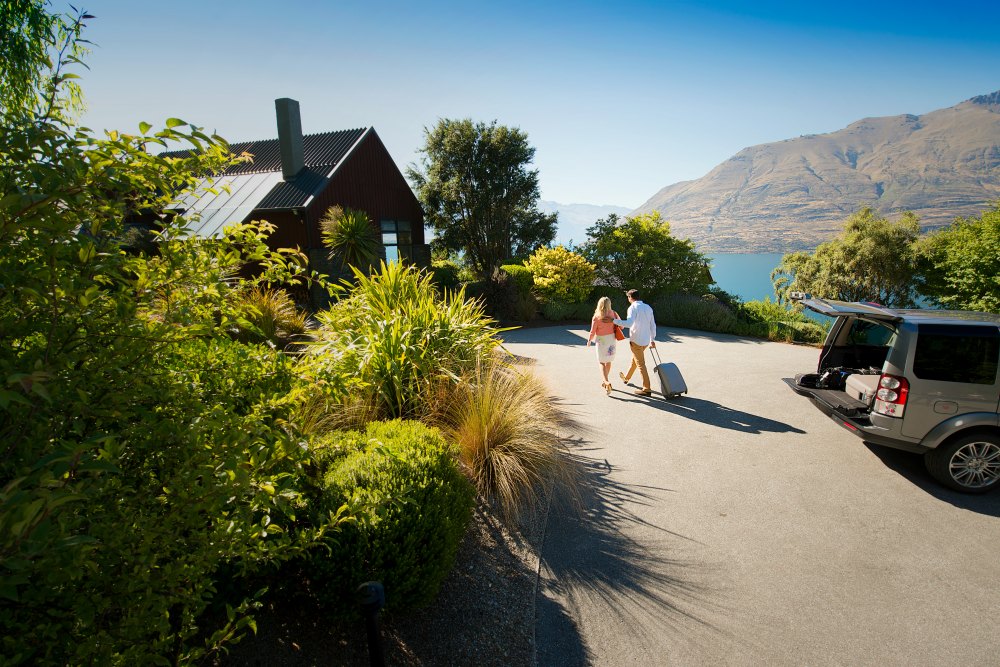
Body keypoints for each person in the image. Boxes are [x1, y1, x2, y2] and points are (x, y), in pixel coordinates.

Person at [614, 288, 657, 396]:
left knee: (640, 364)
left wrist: (614, 321)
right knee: (636, 360)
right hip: (646, 340)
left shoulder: (632, 308)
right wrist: (652, 340)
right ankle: (626, 378)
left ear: (630, 297)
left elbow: (628, 324)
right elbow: (653, 325)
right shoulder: (648, 307)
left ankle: (647, 388)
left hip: (636, 340)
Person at [586, 296, 621, 395]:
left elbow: (592, 331)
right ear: (609, 304)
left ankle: (606, 382)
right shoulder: (614, 314)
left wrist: (589, 340)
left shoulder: (597, 316)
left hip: (601, 340)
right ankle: (605, 381)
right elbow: (621, 326)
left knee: (601, 361)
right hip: (611, 339)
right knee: (608, 361)